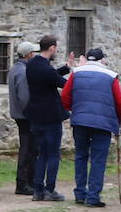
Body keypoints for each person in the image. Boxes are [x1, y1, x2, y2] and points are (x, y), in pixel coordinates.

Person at [61, 48, 121, 207]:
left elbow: (65, 96)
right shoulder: (110, 75)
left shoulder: (76, 72)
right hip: (102, 124)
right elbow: (119, 102)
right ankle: (93, 196)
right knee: (98, 159)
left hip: (80, 120)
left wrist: (74, 109)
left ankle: (80, 193)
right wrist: (119, 119)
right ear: (101, 59)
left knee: (81, 156)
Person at [25, 34, 77, 202]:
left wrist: (66, 67)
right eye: (56, 49)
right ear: (52, 48)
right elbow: (63, 83)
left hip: (35, 115)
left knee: (41, 155)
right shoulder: (45, 69)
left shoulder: (32, 64)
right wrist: (78, 72)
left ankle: (38, 190)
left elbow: (50, 76)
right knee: (53, 155)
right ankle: (50, 189)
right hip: (50, 117)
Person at [7, 41, 40, 195]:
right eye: (33, 53)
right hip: (25, 115)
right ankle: (23, 183)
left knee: (27, 148)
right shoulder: (22, 71)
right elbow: (24, 96)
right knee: (28, 149)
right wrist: (33, 112)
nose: (34, 55)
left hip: (20, 114)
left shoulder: (16, 68)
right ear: (28, 55)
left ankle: (26, 182)